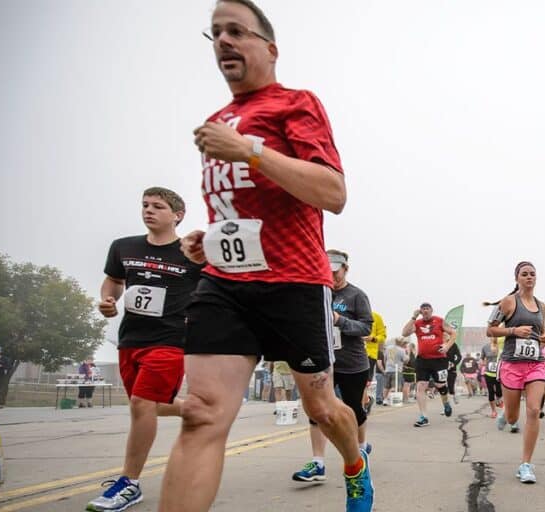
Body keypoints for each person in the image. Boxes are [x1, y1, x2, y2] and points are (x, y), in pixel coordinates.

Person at [160, 1, 372, 510]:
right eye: (215, 33)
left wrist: (249, 150)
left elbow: (333, 193)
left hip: (294, 284)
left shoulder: (294, 104)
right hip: (225, 285)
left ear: (270, 49)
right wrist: (207, 238)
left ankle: (354, 463)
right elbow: (239, 209)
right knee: (201, 413)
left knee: (322, 407)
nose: (224, 41)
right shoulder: (216, 122)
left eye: (237, 31)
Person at [89, 187, 202, 512]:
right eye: (145, 205)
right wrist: (107, 300)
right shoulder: (123, 247)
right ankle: (192, 409)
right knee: (147, 406)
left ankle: (130, 483)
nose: (149, 210)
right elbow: (113, 281)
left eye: (158, 206)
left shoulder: (191, 255)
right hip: (131, 340)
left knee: (142, 403)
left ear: (178, 215)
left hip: (171, 340)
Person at [292, 250, 375, 483]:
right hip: (323, 361)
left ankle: (361, 450)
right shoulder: (317, 292)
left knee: (354, 409)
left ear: (345, 269)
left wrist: (339, 320)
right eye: (327, 271)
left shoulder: (356, 295)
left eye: (335, 272)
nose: (331, 276)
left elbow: (366, 328)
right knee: (317, 410)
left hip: (352, 362)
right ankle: (318, 463)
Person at [486, 261, 545, 484]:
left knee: (533, 410)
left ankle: (525, 464)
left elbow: (541, 332)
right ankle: (506, 414)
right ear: (517, 278)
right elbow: (490, 330)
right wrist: (513, 330)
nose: (529, 277)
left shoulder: (542, 306)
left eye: (533, 273)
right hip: (512, 364)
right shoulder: (508, 302)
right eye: (524, 274)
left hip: (535, 364)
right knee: (514, 417)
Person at [401, 303, 457, 426]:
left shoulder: (439, 321)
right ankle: (423, 417)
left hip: (439, 360)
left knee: (440, 385)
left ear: (431, 310)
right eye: (423, 309)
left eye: (427, 309)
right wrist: (413, 317)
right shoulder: (417, 323)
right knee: (421, 386)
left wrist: (447, 346)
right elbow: (404, 333)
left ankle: (446, 403)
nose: (425, 311)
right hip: (422, 360)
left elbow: (453, 333)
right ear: (420, 311)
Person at [364, 311, 386, 409]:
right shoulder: (350, 315)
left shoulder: (376, 317)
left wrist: (373, 339)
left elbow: (383, 336)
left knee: (364, 383)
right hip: (351, 351)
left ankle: (363, 406)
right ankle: (366, 401)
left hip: (369, 354)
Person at [482, 337, 503, 418]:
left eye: (495, 336)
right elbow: (482, 358)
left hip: (499, 373)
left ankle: (498, 399)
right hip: (488, 373)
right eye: (492, 336)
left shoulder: (502, 346)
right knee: (491, 392)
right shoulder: (485, 347)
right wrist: (484, 363)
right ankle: (493, 411)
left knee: (499, 392)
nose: (493, 338)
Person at [446, 341, 462, 406]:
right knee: (442, 386)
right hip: (441, 367)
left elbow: (459, 356)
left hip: (451, 368)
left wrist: (454, 363)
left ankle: (454, 394)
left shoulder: (453, 344)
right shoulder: (439, 342)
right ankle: (446, 405)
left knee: (450, 386)